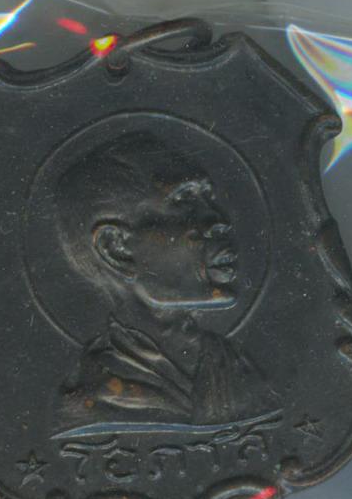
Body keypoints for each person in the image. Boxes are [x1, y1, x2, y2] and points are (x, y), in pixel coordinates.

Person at [54, 131, 280, 428]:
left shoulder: (241, 370)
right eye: (184, 199)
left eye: (208, 198)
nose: (220, 220)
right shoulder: (91, 401)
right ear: (116, 249)